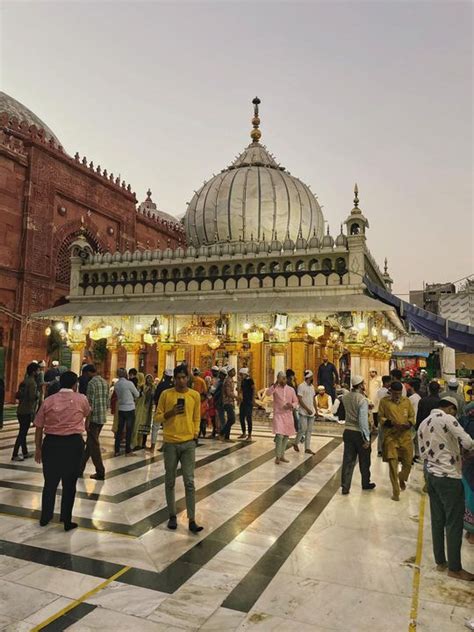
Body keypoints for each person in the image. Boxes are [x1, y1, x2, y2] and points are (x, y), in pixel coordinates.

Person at [418, 396, 474, 581]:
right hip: (449, 477)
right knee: (454, 523)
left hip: (432, 476)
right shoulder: (448, 418)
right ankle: (455, 568)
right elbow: (468, 442)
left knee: (437, 519)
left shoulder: (423, 423)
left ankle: (440, 561)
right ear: (450, 408)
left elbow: (421, 452)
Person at [34, 371, 90, 531]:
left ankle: (45, 517)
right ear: (75, 384)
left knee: (50, 482)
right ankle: (66, 520)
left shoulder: (48, 401)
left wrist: (38, 448)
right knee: (69, 483)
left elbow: (39, 425)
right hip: (73, 444)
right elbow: (87, 413)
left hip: (51, 444)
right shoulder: (81, 399)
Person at [155, 364, 203, 533]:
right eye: (178, 377)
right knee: (170, 480)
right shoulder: (166, 395)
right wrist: (171, 412)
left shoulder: (194, 395)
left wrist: (195, 433)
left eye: (184, 377)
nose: (181, 380)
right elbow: (157, 417)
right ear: (174, 379)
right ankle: (172, 515)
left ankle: (191, 519)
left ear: (188, 378)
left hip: (188, 442)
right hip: (170, 443)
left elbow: (197, 417)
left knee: (189, 481)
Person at [378, 381, 415, 501]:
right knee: (393, 465)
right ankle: (396, 491)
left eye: (399, 393)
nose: (397, 395)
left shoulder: (407, 401)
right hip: (391, 437)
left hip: (405, 437)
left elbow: (412, 416)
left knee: (408, 462)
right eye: (395, 393)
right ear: (391, 392)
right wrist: (391, 423)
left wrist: (408, 424)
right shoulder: (384, 402)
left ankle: (402, 477)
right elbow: (380, 417)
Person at [340, 375, 375, 494]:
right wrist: (366, 438)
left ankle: (345, 486)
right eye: (363, 384)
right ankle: (365, 483)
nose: (364, 386)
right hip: (359, 433)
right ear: (360, 385)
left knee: (348, 460)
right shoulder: (362, 399)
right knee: (364, 460)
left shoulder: (345, 397)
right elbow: (363, 421)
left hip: (348, 431)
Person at [80, 365, 108, 480]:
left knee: (94, 446)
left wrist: (87, 420)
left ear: (88, 373)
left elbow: (89, 404)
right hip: (102, 416)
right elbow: (106, 399)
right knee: (90, 444)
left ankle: (100, 471)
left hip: (94, 418)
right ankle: (79, 468)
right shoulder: (104, 382)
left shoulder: (91, 384)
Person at [267, 371, 298, 464]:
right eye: (281, 378)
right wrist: (276, 383)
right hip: (278, 415)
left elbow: (296, 401)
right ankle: (277, 456)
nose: (283, 380)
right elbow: (268, 393)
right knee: (279, 435)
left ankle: (282, 455)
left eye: (284, 378)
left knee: (285, 436)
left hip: (288, 415)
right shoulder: (275, 388)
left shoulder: (291, 390)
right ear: (278, 378)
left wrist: (291, 405)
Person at [12, 362, 39, 462]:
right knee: (22, 433)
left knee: (23, 432)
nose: (38, 372)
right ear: (33, 372)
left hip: (20, 409)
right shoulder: (32, 382)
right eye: (37, 370)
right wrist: (37, 396)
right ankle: (14, 454)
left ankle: (25, 452)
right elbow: (32, 397)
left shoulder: (24, 381)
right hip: (27, 410)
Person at [114, 367, 139, 456]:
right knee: (129, 430)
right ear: (125, 374)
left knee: (120, 429)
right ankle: (127, 450)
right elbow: (137, 394)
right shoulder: (129, 383)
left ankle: (116, 450)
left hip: (121, 408)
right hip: (129, 408)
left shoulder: (116, 384)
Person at [459, 402, 474, 545]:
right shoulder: (466, 419)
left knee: (469, 494)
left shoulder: (465, 418)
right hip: (469, 462)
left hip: (467, 461)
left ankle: (470, 530)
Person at [295, 369, 316, 454]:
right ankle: (296, 443)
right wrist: (307, 409)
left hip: (312, 412)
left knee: (309, 430)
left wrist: (316, 410)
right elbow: (299, 399)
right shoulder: (301, 386)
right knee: (303, 429)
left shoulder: (312, 387)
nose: (312, 378)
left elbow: (313, 399)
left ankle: (307, 448)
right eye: (311, 377)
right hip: (303, 411)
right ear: (309, 377)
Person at [134, 374, 155, 449]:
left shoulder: (153, 387)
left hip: (148, 409)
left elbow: (154, 397)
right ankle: (138, 442)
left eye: (150, 378)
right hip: (142, 408)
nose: (149, 380)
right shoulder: (143, 387)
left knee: (146, 425)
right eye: (147, 378)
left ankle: (143, 443)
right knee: (141, 424)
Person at [374, 375, 391, 456]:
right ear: (387, 382)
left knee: (380, 432)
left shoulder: (379, 391)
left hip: (380, 412)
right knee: (386, 432)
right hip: (386, 413)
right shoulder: (387, 392)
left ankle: (380, 449)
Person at [237, 367, 255, 441]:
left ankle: (250, 435)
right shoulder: (243, 381)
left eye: (241, 374)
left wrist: (253, 399)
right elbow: (241, 390)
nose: (240, 376)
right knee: (241, 417)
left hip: (249, 401)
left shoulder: (250, 380)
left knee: (248, 418)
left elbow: (253, 389)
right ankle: (244, 432)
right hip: (243, 401)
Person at [219, 367, 236, 441]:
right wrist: (237, 397)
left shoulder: (231, 380)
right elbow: (228, 393)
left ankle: (226, 437)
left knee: (230, 419)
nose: (234, 372)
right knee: (232, 419)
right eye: (233, 371)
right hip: (227, 402)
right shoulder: (228, 380)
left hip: (230, 402)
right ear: (229, 372)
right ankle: (222, 433)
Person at [191, 368, 208, 439]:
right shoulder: (201, 380)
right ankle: (201, 431)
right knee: (201, 416)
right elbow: (205, 391)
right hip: (200, 400)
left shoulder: (190, 380)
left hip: (191, 400)